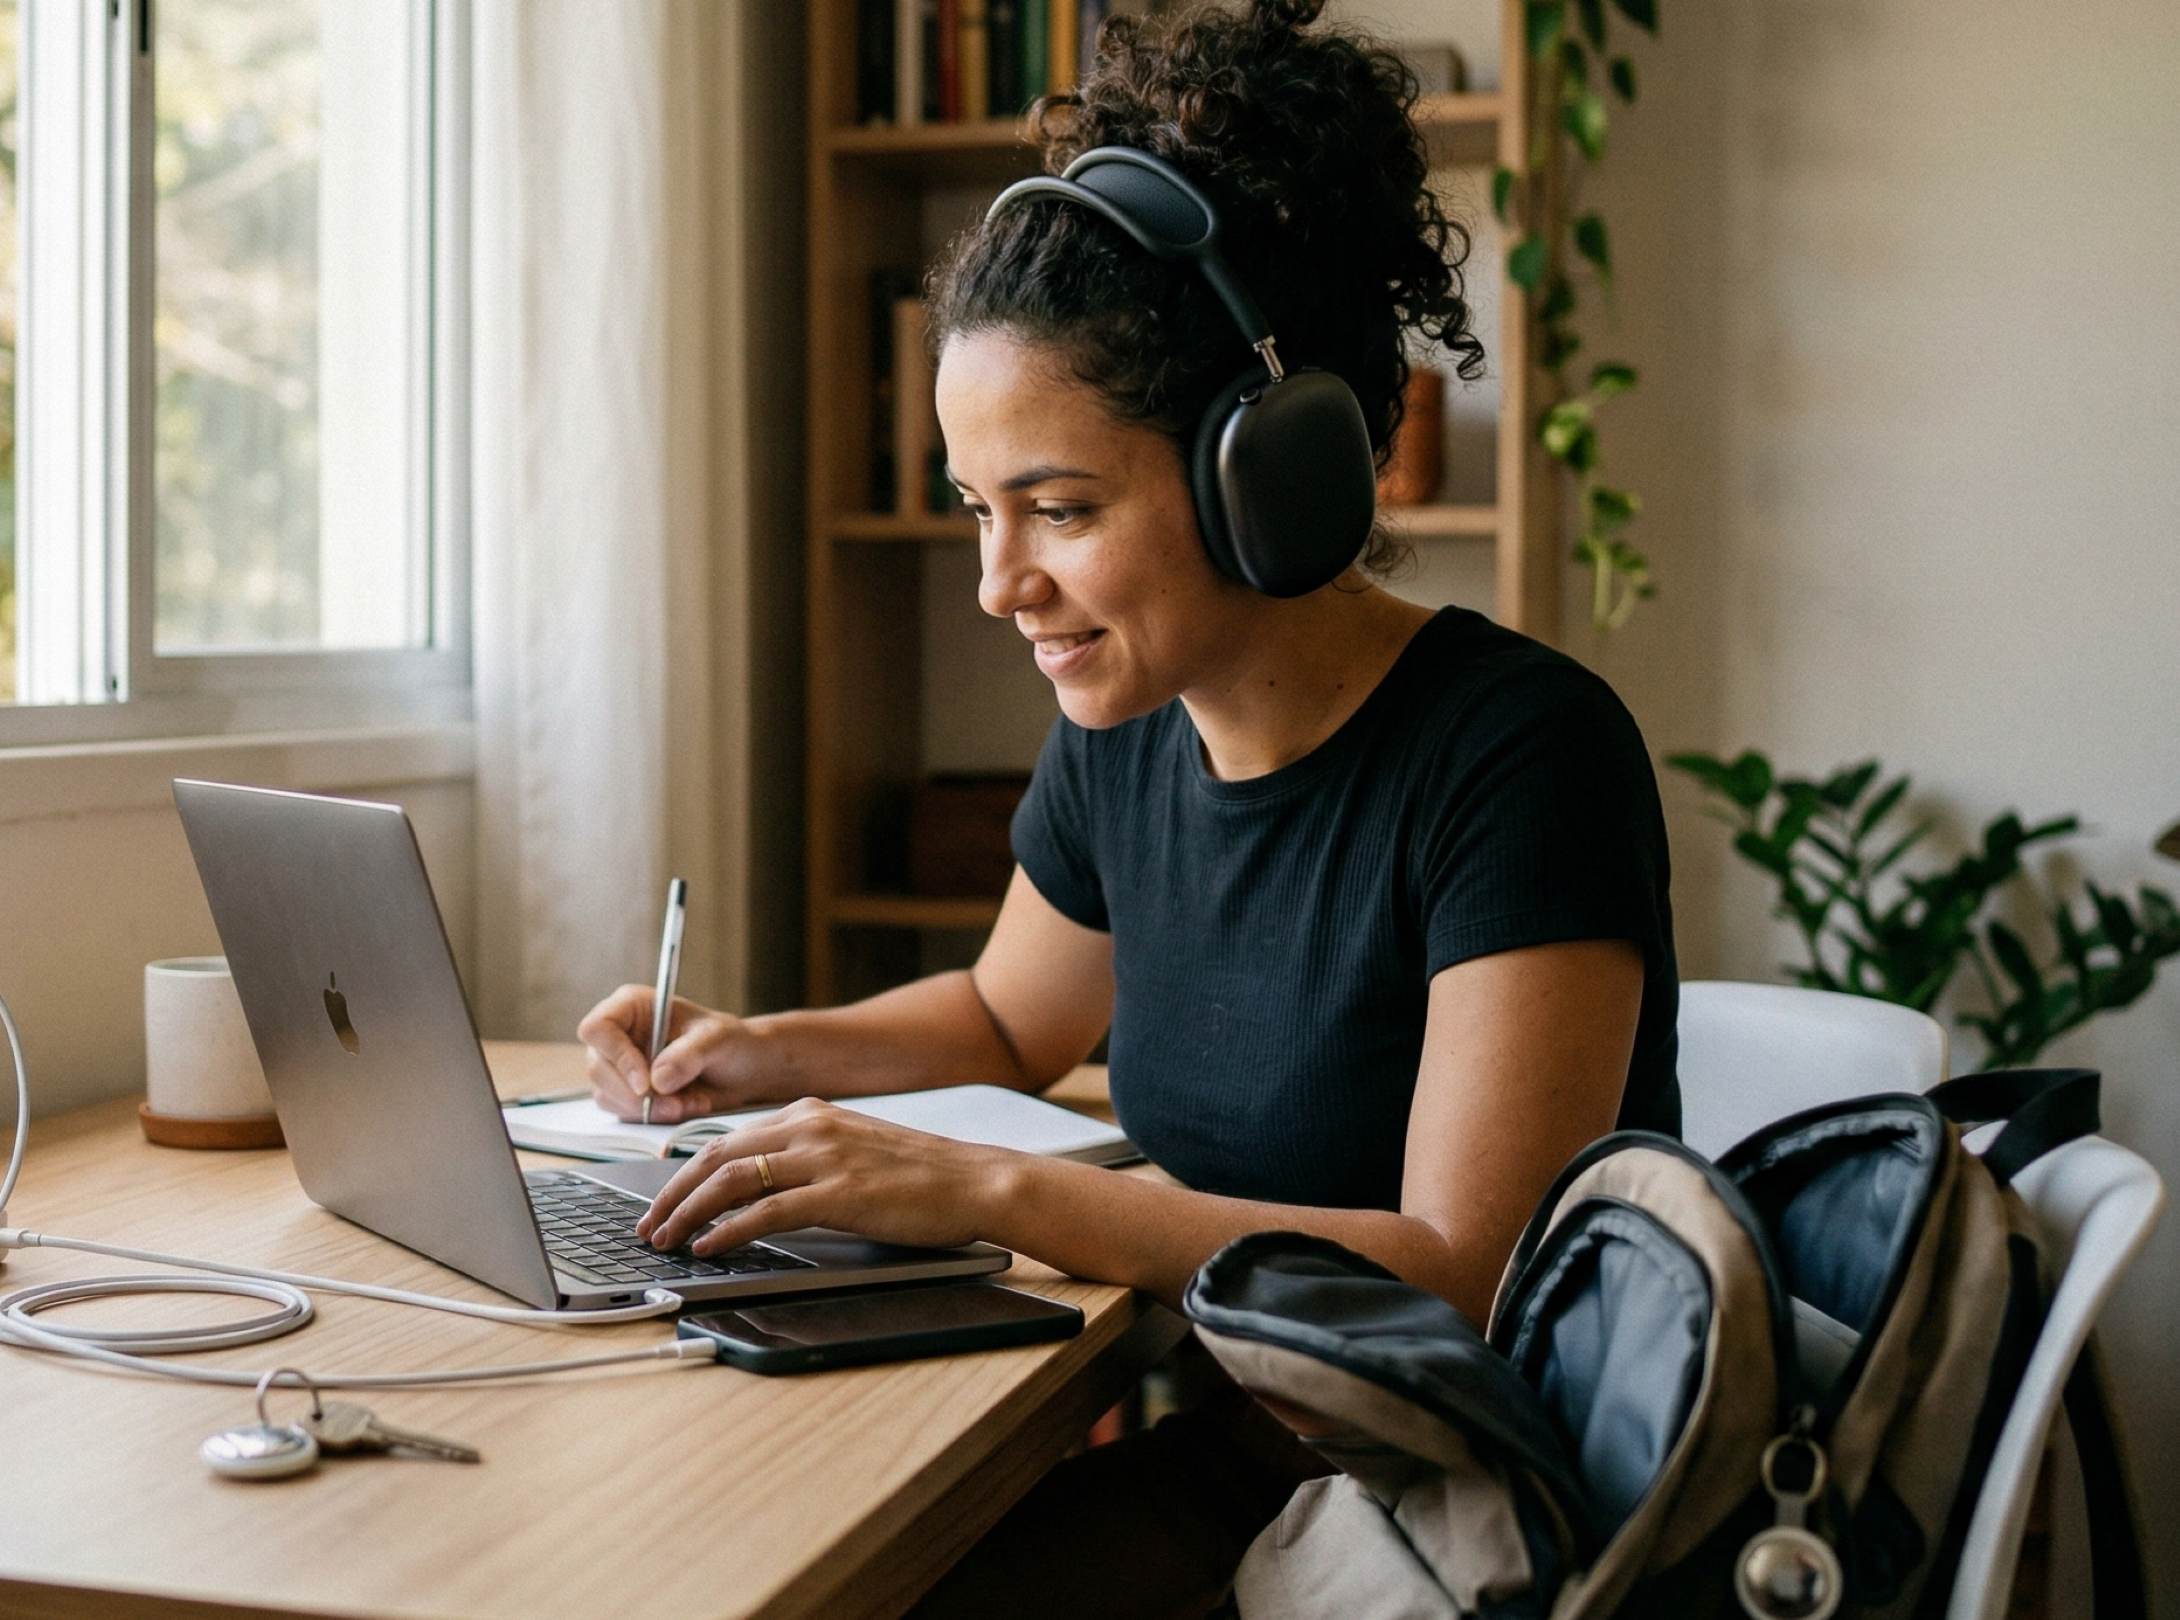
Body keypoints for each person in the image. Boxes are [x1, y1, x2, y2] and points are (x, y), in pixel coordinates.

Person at [577, 3, 1678, 1613]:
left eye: (1060, 509)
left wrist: (1009, 1194)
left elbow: (1471, 1276)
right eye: (979, 509)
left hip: (1473, 1508)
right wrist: (752, 1051)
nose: (998, 582)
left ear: (1266, 474)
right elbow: (1004, 1020)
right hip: (1251, 1459)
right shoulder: (1128, 728)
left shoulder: (1518, 755)